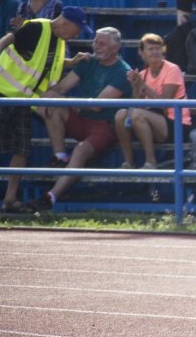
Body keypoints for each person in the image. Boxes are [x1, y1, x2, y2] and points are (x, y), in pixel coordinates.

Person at [0, 7, 90, 216]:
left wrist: (71, 62)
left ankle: (10, 200)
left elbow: (48, 62)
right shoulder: (37, 27)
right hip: (0, 93)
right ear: (66, 23)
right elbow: (9, 38)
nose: (78, 34)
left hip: (22, 100)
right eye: (77, 29)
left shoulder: (60, 40)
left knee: (22, 150)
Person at [23, 27, 133, 212]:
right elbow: (62, 88)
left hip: (104, 127)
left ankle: (50, 197)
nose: (96, 47)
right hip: (82, 120)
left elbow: (98, 105)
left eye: (102, 43)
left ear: (116, 48)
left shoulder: (123, 71)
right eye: (95, 42)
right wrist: (47, 98)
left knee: (80, 151)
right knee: (52, 104)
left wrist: (64, 100)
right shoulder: (87, 62)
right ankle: (59, 157)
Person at [114, 33, 192, 170]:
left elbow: (165, 104)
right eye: (151, 49)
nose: (155, 52)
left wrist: (144, 86)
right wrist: (135, 86)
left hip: (177, 123)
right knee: (120, 115)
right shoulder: (143, 73)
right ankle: (128, 162)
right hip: (153, 121)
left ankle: (150, 162)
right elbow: (136, 104)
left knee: (137, 115)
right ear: (142, 53)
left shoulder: (173, 69)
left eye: (158, 48)